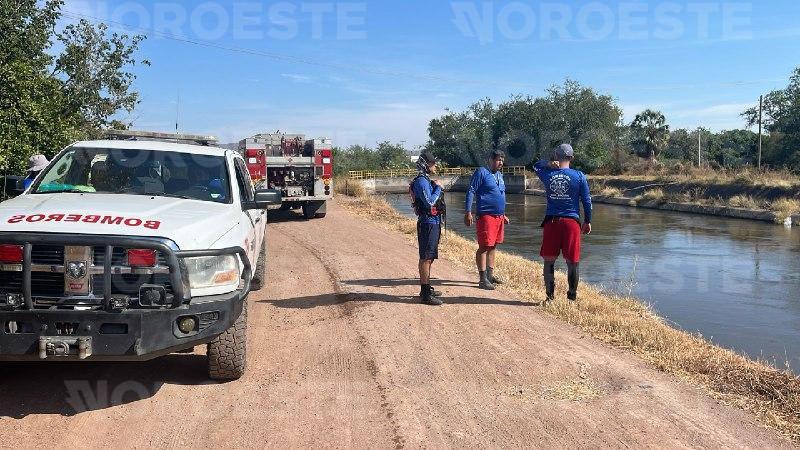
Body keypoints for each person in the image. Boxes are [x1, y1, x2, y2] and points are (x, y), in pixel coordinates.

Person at [533, 144, 592, 303]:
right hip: (571, 222)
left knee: (549, 260)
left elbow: (536, 165)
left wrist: (547, 163)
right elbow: (586, 201)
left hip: (552, 221)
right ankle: (571, 298)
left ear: (555, 156)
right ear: (571, 158)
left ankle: (549, 298)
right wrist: (588, 221)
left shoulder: (548, 173)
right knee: (573, 261)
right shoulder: (579, 176)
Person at [464, 150, 509, 290]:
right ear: (490, 159)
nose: (500, 162)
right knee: (484, 247)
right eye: (497, 160)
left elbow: (500, 195)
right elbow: (471, 191)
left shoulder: (500, 175)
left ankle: (490, 275)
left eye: (502, 160)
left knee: (493, 246)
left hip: (499, 217)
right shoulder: (481, 172)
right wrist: (468, 212)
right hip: (486, 216)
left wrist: (503, 214)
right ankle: (482, 279)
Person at [411, 152, 444, 306]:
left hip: (433, 222)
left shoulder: (425, 180)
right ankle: (425, 294)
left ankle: (425, 289)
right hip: (427, 223)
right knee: (426, 257)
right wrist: (438, 187)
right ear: (425, 164)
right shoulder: (421, 182)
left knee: (429, 257)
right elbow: (430, 202)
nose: (435, 165)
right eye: (433, 163)